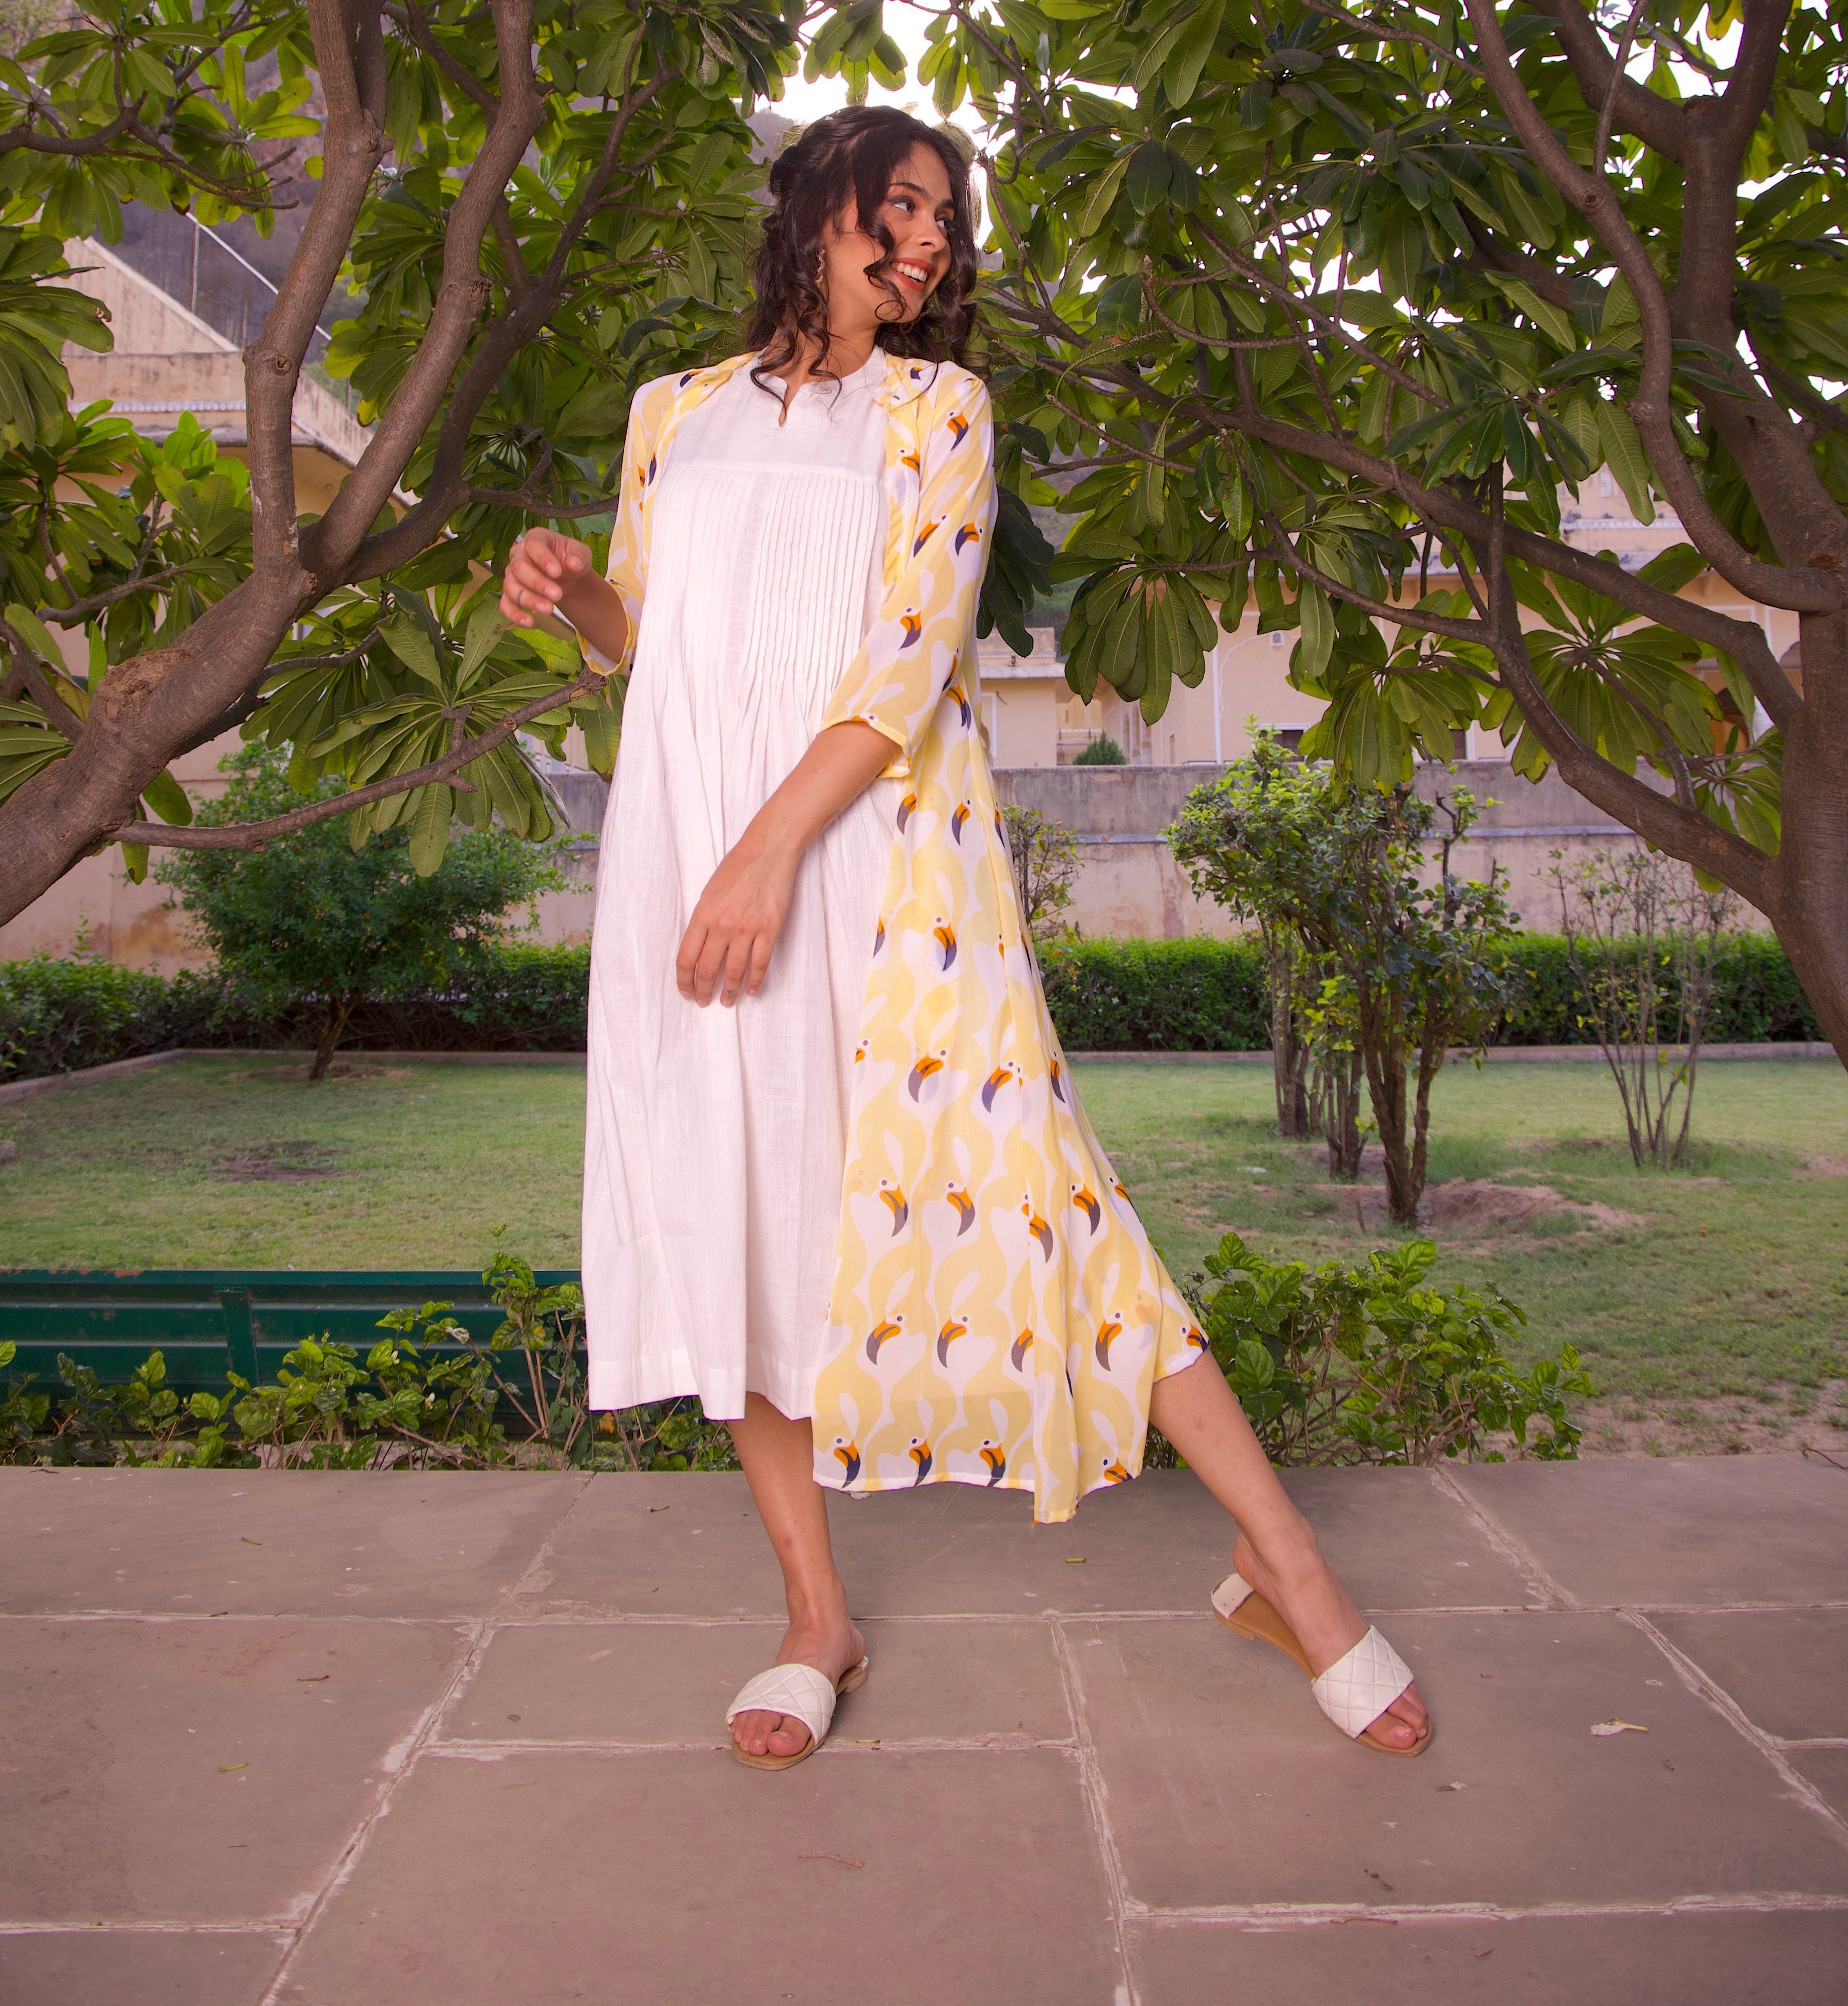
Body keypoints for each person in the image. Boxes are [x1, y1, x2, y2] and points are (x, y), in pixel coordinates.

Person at [498, 106, 1432, 1769]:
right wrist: (573, 593)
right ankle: (814, 1620)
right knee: (740, 1203)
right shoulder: (674, 413)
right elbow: (651, 640)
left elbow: (914, 656)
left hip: (873, 868)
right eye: (902, 206)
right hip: (692, 855)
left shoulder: (941, 408)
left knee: (1049, 1187)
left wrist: (768, 857)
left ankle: (1285, 1563)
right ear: (815, 201)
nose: (928, 244)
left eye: (946, 222)